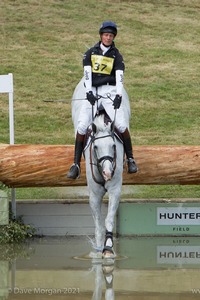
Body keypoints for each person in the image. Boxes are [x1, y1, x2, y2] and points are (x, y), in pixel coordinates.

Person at [67, 21, 138, 179]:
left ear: (113, 38)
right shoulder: (90, 53)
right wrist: (89, 91)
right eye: (106, 35)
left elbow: (119, 76)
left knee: (121, 124)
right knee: (82, 125)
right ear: (101, 36)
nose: (108, 38)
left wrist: (118, 95)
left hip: (109, 90)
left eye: (111, 36)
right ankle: (76, 164)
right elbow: (87, 74)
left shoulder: (116, 55)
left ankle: (131, 159)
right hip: (94, 91)